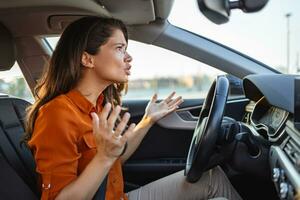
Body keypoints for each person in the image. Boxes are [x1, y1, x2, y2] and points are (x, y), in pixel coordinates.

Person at [23, 16, 242, 200]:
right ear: (87, 59)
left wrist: (148, 119)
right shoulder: (56, 115)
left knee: (212, 177)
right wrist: (104, 158)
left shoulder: (98, 106)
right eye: (119, 48)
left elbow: (116, 157)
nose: (129, 57)